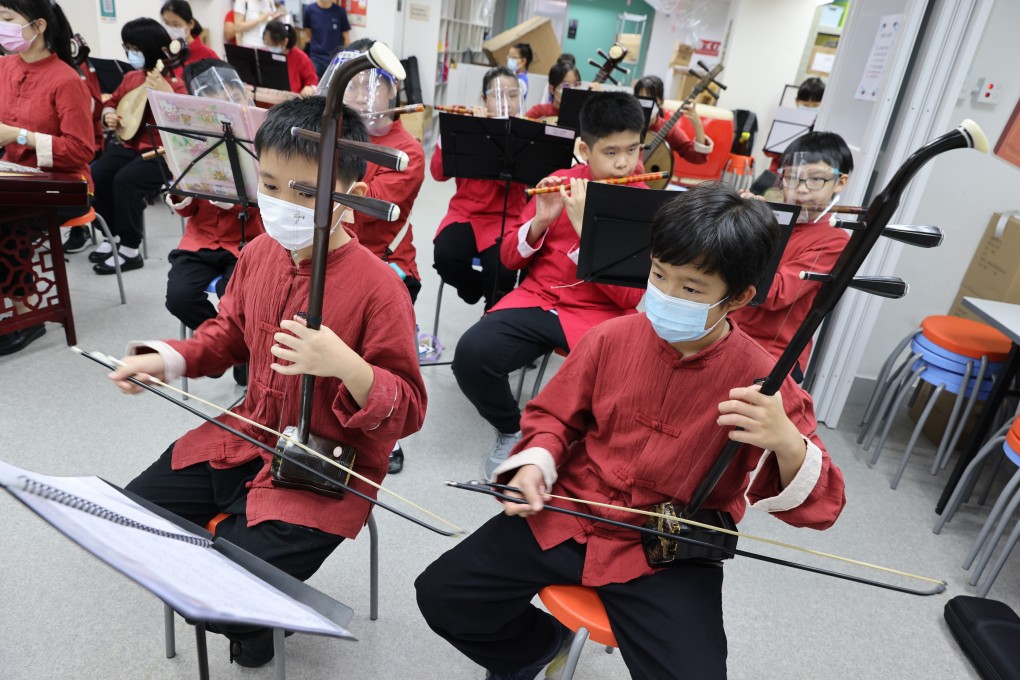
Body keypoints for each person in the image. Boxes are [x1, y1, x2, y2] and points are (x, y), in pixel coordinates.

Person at [416, 182, 847, 680]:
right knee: (444, 595)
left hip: (665, 546)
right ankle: (541, 646)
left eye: (691, 289)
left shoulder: (764, 382)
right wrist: (536, 461)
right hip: (572, 510)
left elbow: (824, 505)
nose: (666, 296)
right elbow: (554, 416)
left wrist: (787, 442)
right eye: (658, 275)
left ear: (739, 297)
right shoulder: (610, 337)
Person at [109, 95, 426, 667]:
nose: (281, 205)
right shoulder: (258, 252)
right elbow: (229, 332)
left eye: (304, 193)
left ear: (352, 195)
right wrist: (169, 358)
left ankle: (256, 612)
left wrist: (347, 365)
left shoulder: (382, 289)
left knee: (222, 592)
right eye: (271, 186)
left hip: (324, 464)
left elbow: (408, 409)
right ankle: (251, 585)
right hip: (247, 432)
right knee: (134, 517)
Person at [452, 91, 647, 476]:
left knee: (618, 394)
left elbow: (629, 295)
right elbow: (509, 259)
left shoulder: (641, 202)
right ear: (584, 150)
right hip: (538, 298)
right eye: (610, 152)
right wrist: (540, 221)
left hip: (600, 315)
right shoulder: (561, 182)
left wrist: (585, 230)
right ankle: (511, 428)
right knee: (471, 356)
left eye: (632, 149)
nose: (624, 163)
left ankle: (564, 448)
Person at [329, 38, 426, 474]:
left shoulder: (409, 150)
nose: (359, 94)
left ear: (392, 91)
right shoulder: (334, 130)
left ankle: (386, 425)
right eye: (350, 84)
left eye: (370, 85)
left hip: (383, 259)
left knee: (371, 340)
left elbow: (366, 211)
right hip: (333, 249)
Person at [0, 0, 94, 355]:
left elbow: (80, 150)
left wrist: (19, 136)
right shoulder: (5, 67)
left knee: (9, 222)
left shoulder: (66, 79)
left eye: (7, 19)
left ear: (38, 26)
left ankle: (26, 315)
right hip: (15, 175)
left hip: (62, 185)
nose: (1, 27)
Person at [731, 131, 853, 382]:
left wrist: (750, 232)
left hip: (772, 355)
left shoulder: (834, 239)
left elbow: (773, 293)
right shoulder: (774, 219)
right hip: (729, 332)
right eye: (792, 178)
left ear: (839, 182)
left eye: (815, 179)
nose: (801, 190)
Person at [164, 58, 264, 340]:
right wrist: (181, 185)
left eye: (231, 96)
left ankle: (234, 347)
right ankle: (225, 345)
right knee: (179, 297)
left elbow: (268, 201)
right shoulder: (189, 136)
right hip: (201, 240)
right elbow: (187, 211)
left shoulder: (257, 135)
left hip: (247, 240)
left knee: (233, 296)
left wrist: (233, 199)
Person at [88, 18, 187, 275]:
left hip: (161, 152)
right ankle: (114, 235)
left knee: (126, 181)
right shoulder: (132, 77)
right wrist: (109, 115)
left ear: (150, 48)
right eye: (127, 47)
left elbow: (183, 122)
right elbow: (112, 101)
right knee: (96, 174)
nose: (130, 53)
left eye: (134, 48)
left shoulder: (175, 84)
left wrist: (166, 92)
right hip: (129, 145)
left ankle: (131, 250)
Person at [431, 66, 526, 312]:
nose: (506, 102)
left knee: (503, 269)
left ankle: (492, 317)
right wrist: (450, 130)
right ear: (484, 99)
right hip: (464, 214)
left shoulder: (525, 135)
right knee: (445, 257)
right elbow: (438, 174)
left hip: (506, 218)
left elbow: (511, 183)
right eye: (497, 95)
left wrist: (493, 137)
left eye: (513, 95)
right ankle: (473, 290)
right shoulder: (468, 127)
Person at [633, 74, 712, 164]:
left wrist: (698, 125)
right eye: (641, 97)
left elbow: (698, 158)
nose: (645, 102)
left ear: (661, 101)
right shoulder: (626, 124)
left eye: (650, 98)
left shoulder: (668, 129)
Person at [161, 0, 218, 73]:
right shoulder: (166, 52)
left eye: (176, 25)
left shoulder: (208, 55)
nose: (170, 30)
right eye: (166, 24)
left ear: (190, 24)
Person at [262, 19, 317, 95]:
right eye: (267, 44)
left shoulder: (301, 58)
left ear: (285, 41)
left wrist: (309, 88)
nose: (269, 48)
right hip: (265, 97)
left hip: (290, 99)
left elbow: (312, 80)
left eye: (273, 45)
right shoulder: (264, 54)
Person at [302, 0, 351, 77]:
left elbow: (346, 38)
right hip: (316, 58)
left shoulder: (340, 12)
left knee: (334, 83)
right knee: (315, 82)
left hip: (335, 58)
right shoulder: (309, 10)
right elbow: (308, 32)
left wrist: (347, 57)